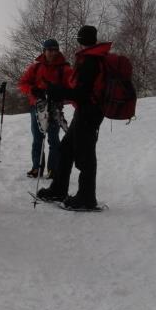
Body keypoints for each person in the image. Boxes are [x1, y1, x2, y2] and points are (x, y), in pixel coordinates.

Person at [37, 25, 106, 210]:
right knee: (66, 149)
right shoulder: (94, 58)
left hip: (89, 112)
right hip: (86, 111)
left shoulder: (90, 61)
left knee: (85, 155)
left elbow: (81, 93)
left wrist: (56, 90)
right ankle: (59, 189)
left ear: (80, 40)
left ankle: (87, 198)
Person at [17, 38, 73, 179]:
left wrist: (58, 91)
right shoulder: (35, 67)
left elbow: (72, 88)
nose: (52, 53)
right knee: (37, 138)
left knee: (53, 139)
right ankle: (37, 167)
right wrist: (32, 89)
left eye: (55, 50)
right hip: (37, 107)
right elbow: (23, 83)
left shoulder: (65, 68)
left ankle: (53, 169)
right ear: (44, 51)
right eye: (49, 50)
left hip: (55, 108)